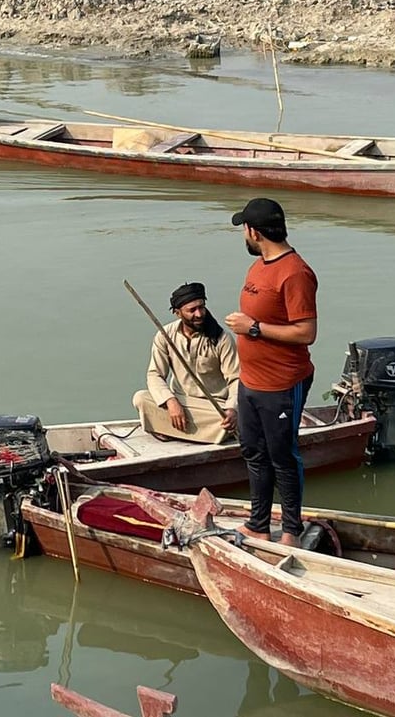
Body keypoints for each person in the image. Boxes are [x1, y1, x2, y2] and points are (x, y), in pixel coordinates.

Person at [224, 198, 318, 547]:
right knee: (253, 451)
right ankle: (258, 523)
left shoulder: (295, 273)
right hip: (250, 381)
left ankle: (291, 530)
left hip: (282, 382)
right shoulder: (259, 266)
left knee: (283, 455)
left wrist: (253, 328)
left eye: (243, 230)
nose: (243, 237)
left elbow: (306, 332)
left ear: (254, 231)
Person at [132, 281, 240, 444]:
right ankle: (205, 434)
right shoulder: (165, 335)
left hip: (214, 406)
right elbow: (155, 374)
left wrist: (232, 409)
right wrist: (171, 401)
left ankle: (173, 430)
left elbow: (236, 379)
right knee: (141, 398)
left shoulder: (221, 338)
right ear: (178, 313)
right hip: (181, 402)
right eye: (192, 310)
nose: (199, 314)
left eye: (201, 307)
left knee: (226, 420)